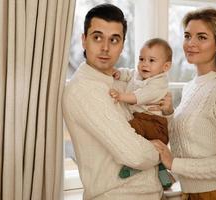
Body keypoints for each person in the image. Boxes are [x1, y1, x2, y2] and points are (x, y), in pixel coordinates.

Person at [62, 4, 163, 200]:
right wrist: (159, 150)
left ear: (123, 44)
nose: (105, 48)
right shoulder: (83, 90)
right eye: (97, 37)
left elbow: (157, 122)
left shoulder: (122, 82)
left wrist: (165, 111)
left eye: (114, 40)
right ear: (84, 40)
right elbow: (134, 154)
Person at [151, 8, 216, 200]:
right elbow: (186, 144)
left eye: (201, 37)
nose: (191, 44)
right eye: (188, 36)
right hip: (191, 193)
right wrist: (169, 114)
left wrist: (174, 163)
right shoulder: (190, 87)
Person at [109, 38, 174, 188]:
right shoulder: (140, 74)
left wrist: (120, 96)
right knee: (146, 143)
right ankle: (161, 170)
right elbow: (129, 74)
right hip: (144, 119)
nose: (144, 64)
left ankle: (134, 167)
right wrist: (119, 73)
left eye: (151, 60)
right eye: (141, 59)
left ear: (165, 66)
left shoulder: (158, 83)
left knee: (129, 130)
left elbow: (139, 97)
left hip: (155, 124)